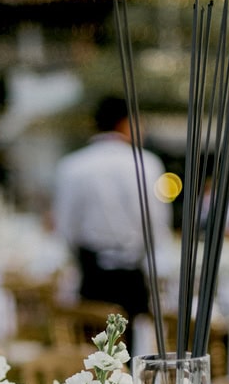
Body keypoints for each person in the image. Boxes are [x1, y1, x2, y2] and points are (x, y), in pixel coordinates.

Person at [52, 94, 173, 353]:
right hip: (132, 276)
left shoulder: (72, 166)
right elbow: (156, 226)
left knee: (94, 356)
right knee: (135, 353)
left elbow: (66, 229)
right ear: (126, 123)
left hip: (93, 274)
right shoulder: (147, 164)